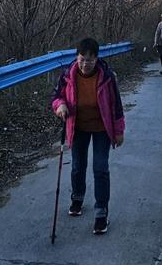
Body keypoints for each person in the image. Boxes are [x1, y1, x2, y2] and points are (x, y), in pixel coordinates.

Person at [51, 37, 125, 235]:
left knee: (100, 168)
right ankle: (78, 196)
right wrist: (61, 106)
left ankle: (101, 212)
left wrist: (119, 131)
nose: (85, 64)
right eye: (82, 59)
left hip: (102, 127)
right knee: (77, 166)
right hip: (78, 126)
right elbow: (56, 96)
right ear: (77, 57)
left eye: (90, 60)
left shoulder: (107, 76)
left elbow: (116, 105)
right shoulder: (67, 75)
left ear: (97, 59)